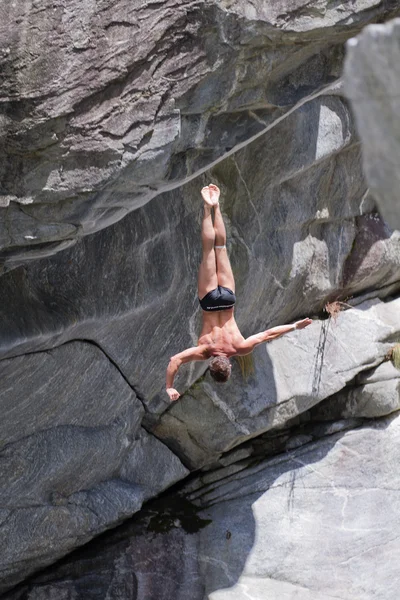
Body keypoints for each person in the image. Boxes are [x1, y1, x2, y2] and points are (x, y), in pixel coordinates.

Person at [166, 184, 312, 401]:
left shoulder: (240, 348)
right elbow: (175, 361)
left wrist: (294, 326)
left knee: (221, 248)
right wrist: (169, 387)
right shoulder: (204, 351)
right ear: (212, 365)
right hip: (208, 301)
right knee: (209, 251)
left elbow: (267, 334)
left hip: (227, 300)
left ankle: (217, 204)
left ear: (229, 366)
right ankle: (208, 207)